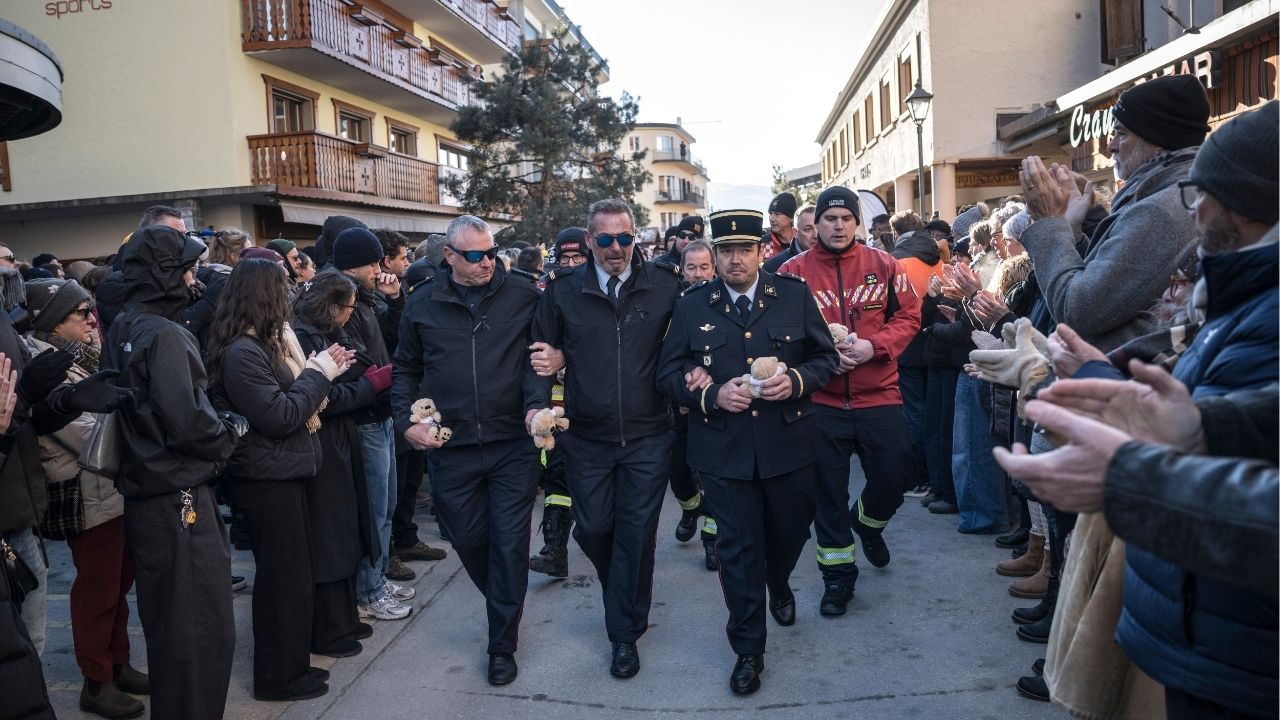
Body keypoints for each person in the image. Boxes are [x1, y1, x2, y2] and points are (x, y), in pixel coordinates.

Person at [657, 209, 839, 694]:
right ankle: (748, 650)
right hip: (723, 451)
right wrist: (710, 395)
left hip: (788, 445)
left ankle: (778, 581)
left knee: (789, 533)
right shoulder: (693, 305)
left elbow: (825, 359)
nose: (736, 259)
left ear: (762, 251)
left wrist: (796, 381)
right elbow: (667, 374)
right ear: (713, 255)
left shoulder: (794, 296)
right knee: (738, 551)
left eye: (745, 249)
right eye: (726, 251)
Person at [529, 198, 682, 678]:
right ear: (589, 240)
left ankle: (624, 633)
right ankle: (623, 589)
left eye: (625, 238)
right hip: (588, 437)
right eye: (606, 239)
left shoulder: (665, 286)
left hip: (649, 434)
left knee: (636, 534)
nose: (616, 248)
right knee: (593, 529)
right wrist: (539, 403)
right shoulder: (561, 292)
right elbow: (540, 356)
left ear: (635, 238)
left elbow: (689, 345)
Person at [392, 214, 545, 686]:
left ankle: (502, 641)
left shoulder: (522, 293)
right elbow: (404, 371)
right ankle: (504, 598)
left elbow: (541, 358)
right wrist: (405, 423)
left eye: (491, 252)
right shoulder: (421, 304)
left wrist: (538, 404)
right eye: (475, 255)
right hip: (451, 446)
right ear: (449, 257)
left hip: (512, 445)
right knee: (470, 540)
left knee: (510, 543)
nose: (486, 263)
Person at [103, 225, 246, 720]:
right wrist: (232, 427)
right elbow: (189, 422)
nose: (195, 280)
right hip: (176, 495)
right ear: (164, 276)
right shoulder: (163, 334)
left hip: (149, 495)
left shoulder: (125, 323)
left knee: (173, 628)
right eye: (186, 269)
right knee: (201, 631)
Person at [207, 259, 352, 701]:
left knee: (291, 576)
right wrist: (318, 374)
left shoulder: (257, 346)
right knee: (280, 580)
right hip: (265, 477)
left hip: (282, 471)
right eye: (282, 289)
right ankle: (277, 677)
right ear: (264, 296)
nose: (290, 296)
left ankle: (291, 666)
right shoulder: (242, 352)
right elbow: (280, 415)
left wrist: (314, 375)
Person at [778, 186, 920, 615]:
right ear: (815, 225)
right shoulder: (791, 272)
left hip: (879, 395)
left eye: (845, 218)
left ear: (856, 223)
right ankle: (838, 579)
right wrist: (819, 361)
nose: (837, 226)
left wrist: (873, 346)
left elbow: (909, 316)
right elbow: (780, 333)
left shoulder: (886, 265)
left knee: (895, 476)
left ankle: (870, 522)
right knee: (827, 495)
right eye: (829, 219)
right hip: (819, 403)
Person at [22, 278, 149, 719]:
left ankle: (118, 664)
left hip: (109, 489)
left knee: (118, 584)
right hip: (85, 489)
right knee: (97, 591)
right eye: (81, 313)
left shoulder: (79, 357)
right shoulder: (45, 365)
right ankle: (96, 682)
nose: (92, 320)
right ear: (55, 322)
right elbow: (86, 435)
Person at [291, 272, 384, 660]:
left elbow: (357, 359)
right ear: (331, 308)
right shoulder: (306, 336)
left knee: (347, 528)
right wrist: (372, 384)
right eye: (348, 308)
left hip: (340, 441)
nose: (351, 314)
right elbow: (323, 397)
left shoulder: (329, 332)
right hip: (322, 443)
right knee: (330, 534)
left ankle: (343, 617)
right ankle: (329, 627)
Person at [328, 227, 415, 621]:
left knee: (387, 505)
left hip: (379, 414)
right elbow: (351, 360)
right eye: (373, 262)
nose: (380, 269)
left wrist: (395, 301)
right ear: (356, 264)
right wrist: (379, 377)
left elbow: (394, 340)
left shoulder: (365, 299)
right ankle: (368, 591)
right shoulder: (341, 299)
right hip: (363, 419)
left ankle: (376, 578)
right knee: (374, 510)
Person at [370, 229, 446, 581]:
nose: (406, 263)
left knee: (411, 475)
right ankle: (385, 557)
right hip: (389, 400)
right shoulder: (368, 297)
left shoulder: (390, 293)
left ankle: (405, 538)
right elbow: (398, 342)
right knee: (393, 486)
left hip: (416, 393)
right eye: (401, 257)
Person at [667, 238, 719, 570]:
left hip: (716, 408)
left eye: (704, 267)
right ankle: (690, 508)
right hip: (679, 407)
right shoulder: (675, 303)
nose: (698, 274)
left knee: (714, 475)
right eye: (691, 267)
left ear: (713, 269)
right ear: (682, 270)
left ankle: (712, 540)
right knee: (678, 473)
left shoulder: (723, 302)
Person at [762, 204, 817, 273]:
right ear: (795, 233)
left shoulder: (833, 259)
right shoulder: (773, 266)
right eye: (808, 229)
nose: (816, 235)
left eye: (820, 227)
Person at [762, 192, 797, 260]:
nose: (771, 218)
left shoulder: (803, 241)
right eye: (770, 213)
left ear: (791, 218)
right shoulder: (763, 245)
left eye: (777, 214)